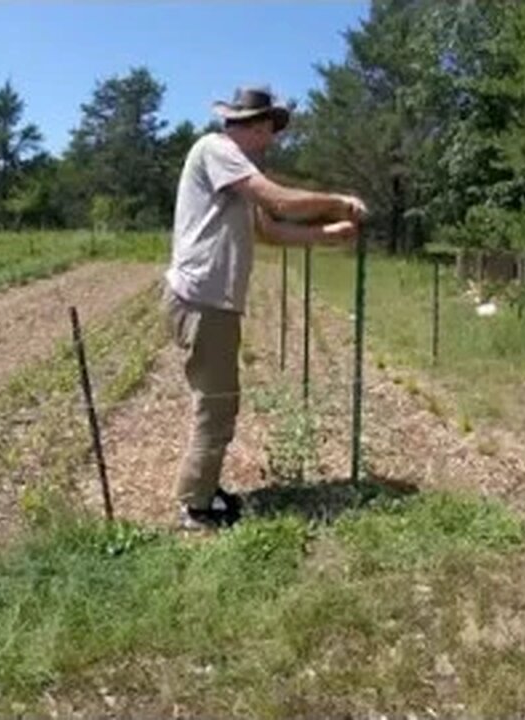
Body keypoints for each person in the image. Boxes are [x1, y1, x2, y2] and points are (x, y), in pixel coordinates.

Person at [163, 85, 367, 530]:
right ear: (253, 126)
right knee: (215, 406)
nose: (272, 140)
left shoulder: (235, 172)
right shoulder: (216, 150)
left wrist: (328, 235)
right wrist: (339, 201)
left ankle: (203, 490)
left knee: (220, 402)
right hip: (203, 300)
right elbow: (277, 199)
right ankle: (196, 508)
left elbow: (271, 229)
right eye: (269, 130)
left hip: (211, 301)